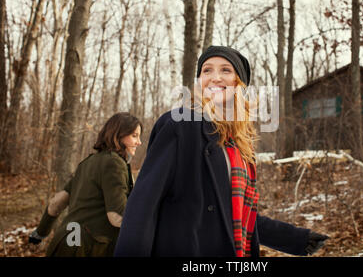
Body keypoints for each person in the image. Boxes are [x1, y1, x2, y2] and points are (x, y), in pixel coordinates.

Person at [114, 46, 329, 257]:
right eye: (207, 70)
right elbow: (143, 205)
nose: (215, 77)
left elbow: (235, 214)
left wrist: (296, 239)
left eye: (225, 70)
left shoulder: (239, 146)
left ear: (239, 83)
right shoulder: (180, 124)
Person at [28, 112, 143, 256]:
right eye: (134, 136)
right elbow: (116, 216)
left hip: (63, 242)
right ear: (118, 135)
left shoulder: (87, 162)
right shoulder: (115, 163)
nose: (139, 142)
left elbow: (57, 202)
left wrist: (39, 233)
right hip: (85, 248)